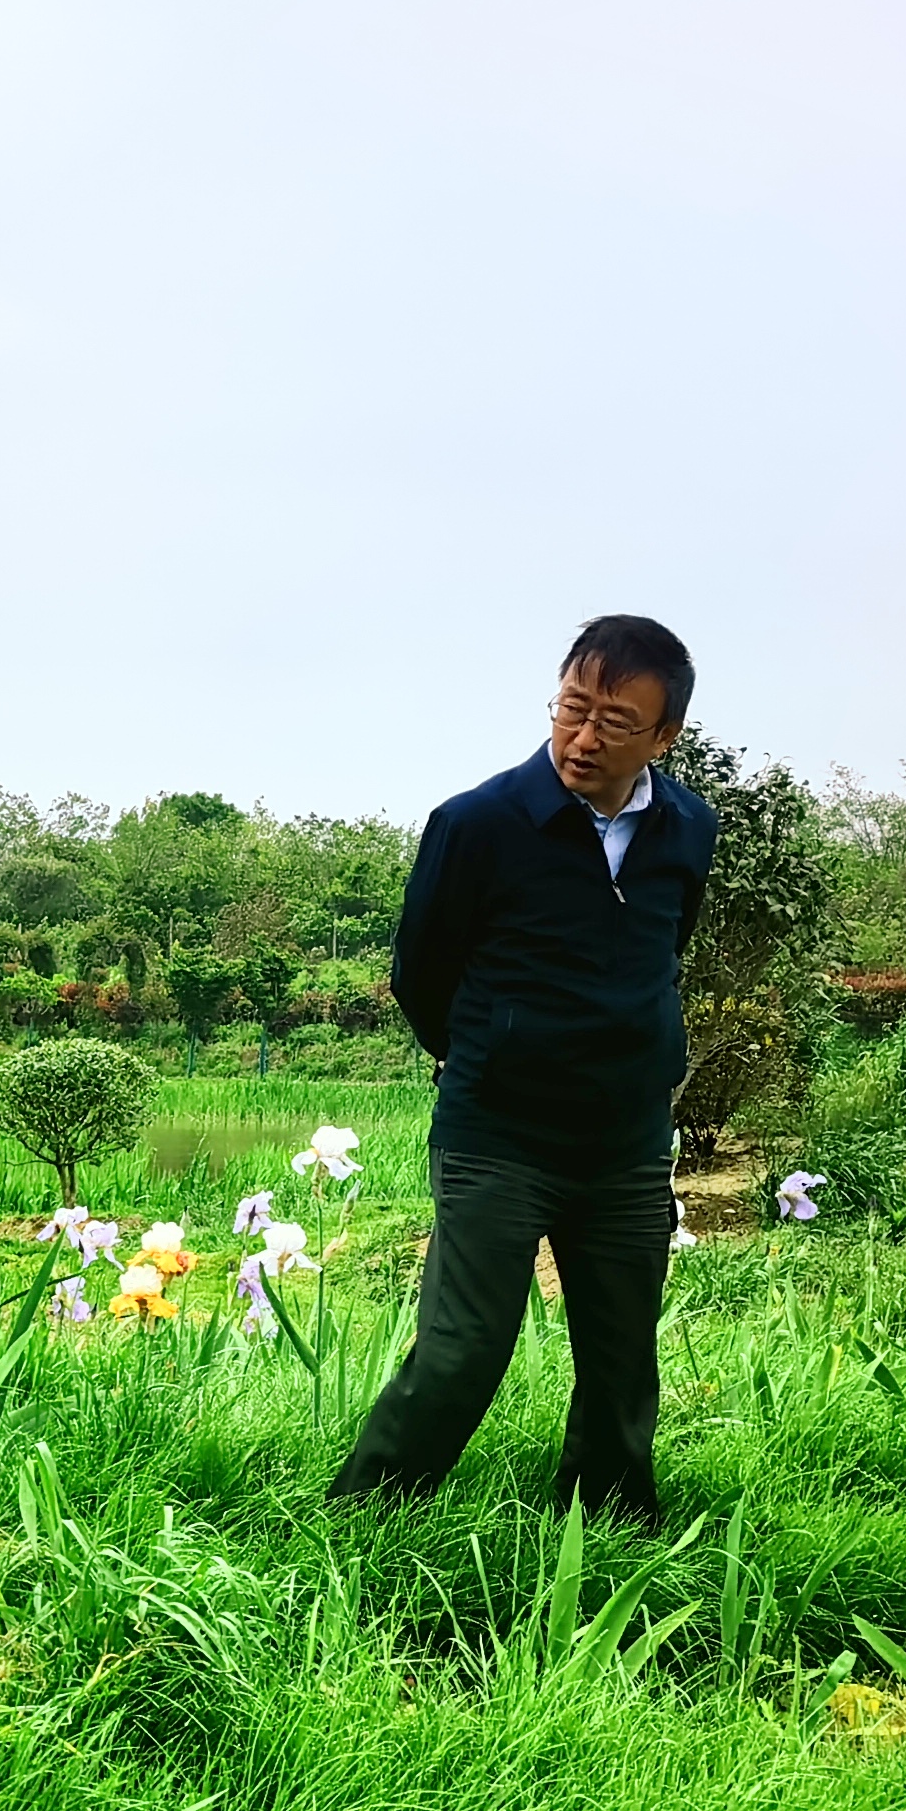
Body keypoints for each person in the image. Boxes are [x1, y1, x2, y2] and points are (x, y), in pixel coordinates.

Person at [329, 614, 720, 1525]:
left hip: (625, 1141)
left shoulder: (688, 828)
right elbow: (420, 975)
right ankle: (365, 1518)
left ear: (665, 737)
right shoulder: (479, 824)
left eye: (615, 721)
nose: (584, 737)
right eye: (571, 708)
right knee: (463, 1348)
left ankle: (610, 1522)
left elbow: (668, 947)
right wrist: (490, 1054)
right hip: (499, 1134)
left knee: (623, 1354)